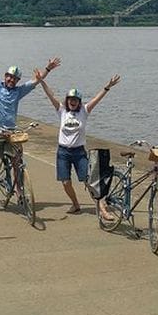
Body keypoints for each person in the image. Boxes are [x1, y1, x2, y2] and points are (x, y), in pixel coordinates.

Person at [0, 34, 60, 211]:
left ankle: (19, 190)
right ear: (5, 76)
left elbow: (35, 81)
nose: (11, 80)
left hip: (11, 132)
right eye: (9, 77)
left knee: (17, 162)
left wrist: (48, 69)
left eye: (15, 78)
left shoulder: (18, 92)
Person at [35, 71, 121, 215]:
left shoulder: (84, 111)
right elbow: (51, 96)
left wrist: (108, 86)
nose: (72, 102)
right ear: (67, 100)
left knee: (89, 180)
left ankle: (102, 208)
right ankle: (75, 204)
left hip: (79, 152)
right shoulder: (61, 111)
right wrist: (42, 81)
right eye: (70, 99)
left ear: (79, 101)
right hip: (63, 152)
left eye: (75, 100)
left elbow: (96, 99)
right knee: (65, 182)